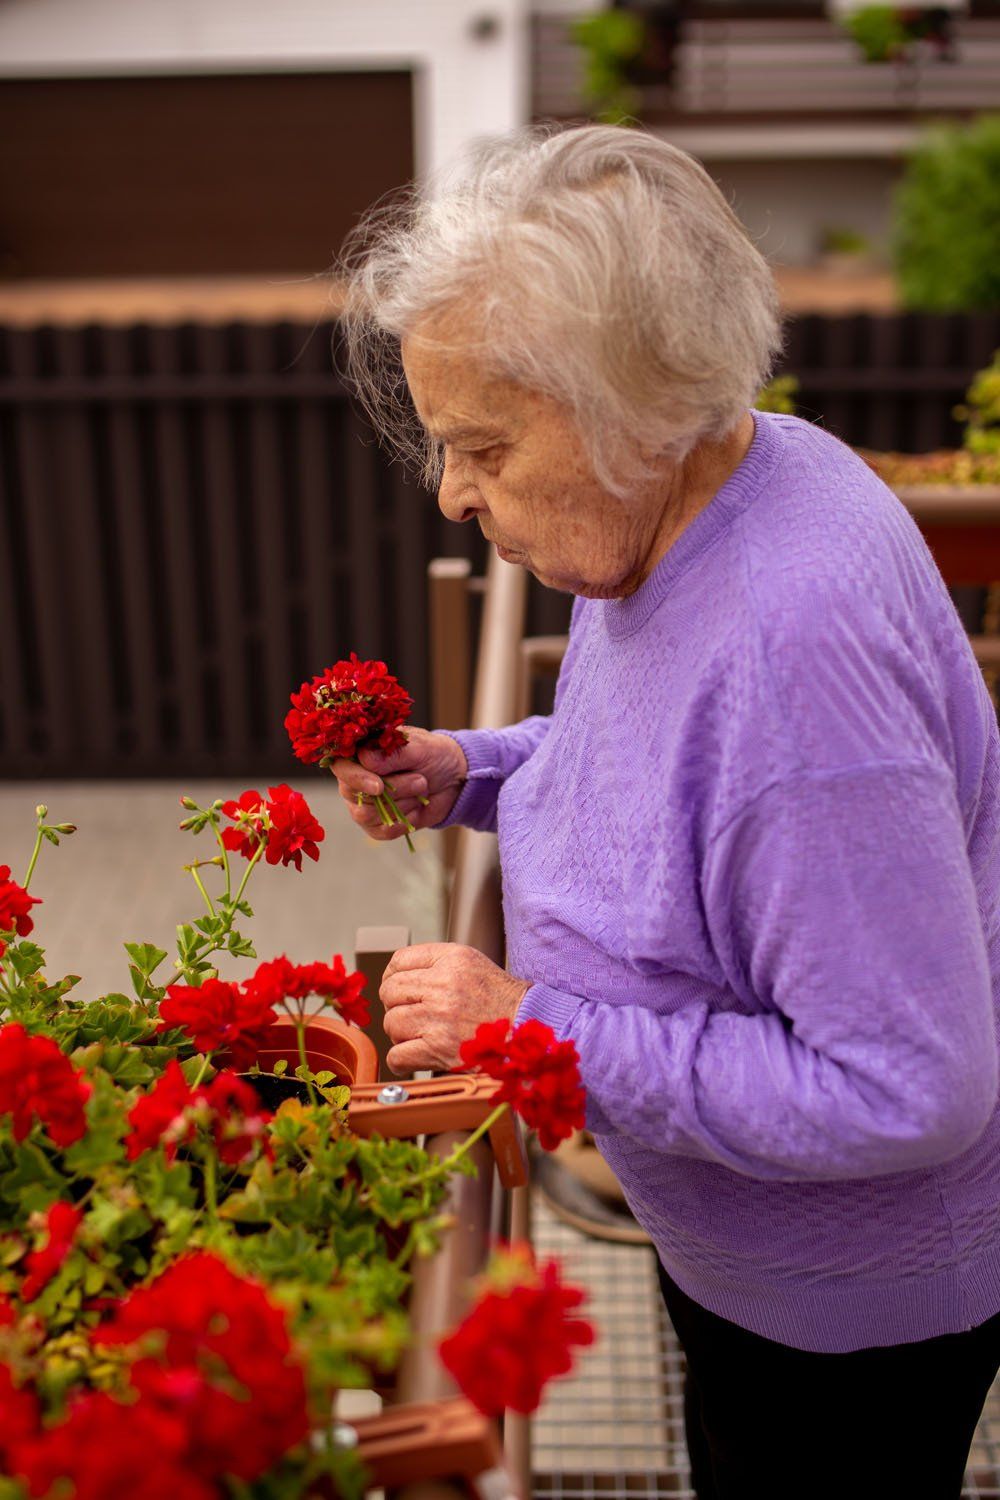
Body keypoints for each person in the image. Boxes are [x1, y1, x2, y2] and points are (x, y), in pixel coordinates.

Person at [330, 123, 1000, 1498]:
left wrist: (528, 1028)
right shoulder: (728, 475)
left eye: (484, 447)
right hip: (750, 1262)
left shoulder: (791, 662)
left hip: (838, 1319)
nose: (453, 492)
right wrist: (485, 765)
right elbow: (659, 768)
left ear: (628, 402)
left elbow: (910, 1091)